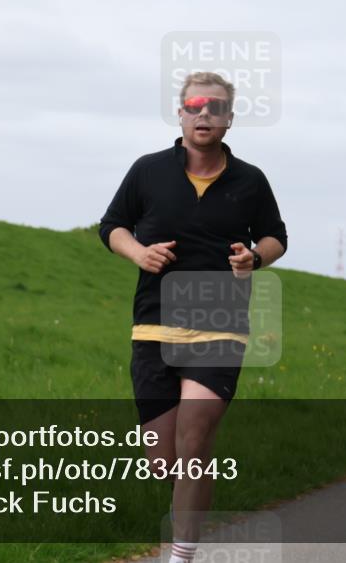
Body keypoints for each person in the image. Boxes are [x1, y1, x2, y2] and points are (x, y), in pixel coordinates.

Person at [99, 71, 287, 563]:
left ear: (230, 119)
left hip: (220, 325)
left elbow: (275, 237)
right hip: (154, 326)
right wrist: (139, 254)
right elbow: (112, 226)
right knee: (163, 463)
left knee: (195, 443)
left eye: (217, 107)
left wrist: (255, 258)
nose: (205, 113)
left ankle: (180, 555)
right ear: (180, 113)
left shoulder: (251, 180)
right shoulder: (148, 170)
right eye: (196, 105)